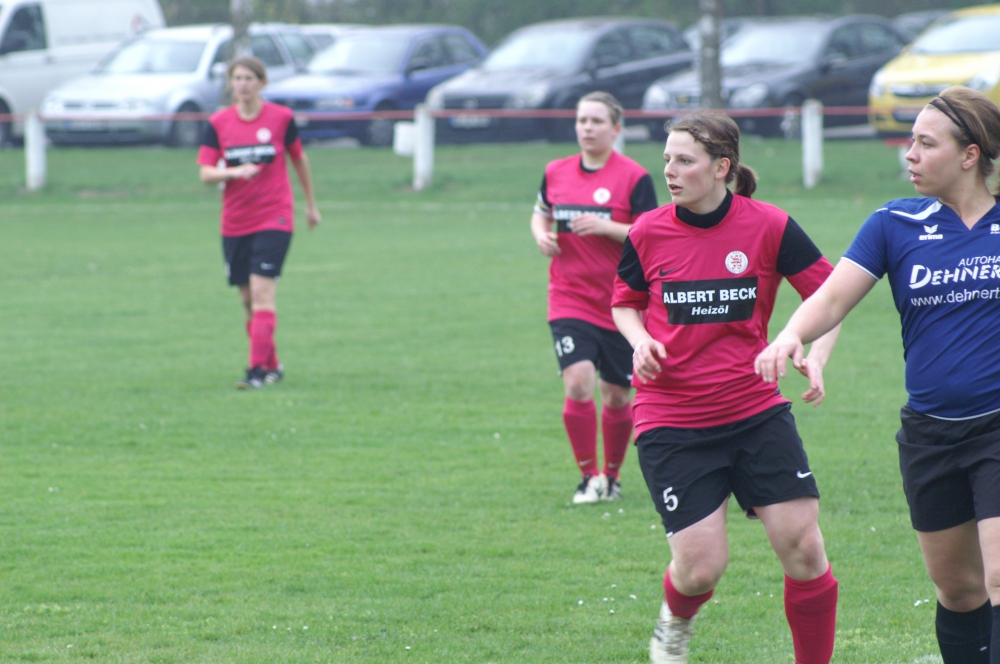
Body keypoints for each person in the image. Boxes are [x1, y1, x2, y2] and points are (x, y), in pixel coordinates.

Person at [756, 86, 1000, 664]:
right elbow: (834, 297)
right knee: (959, 591)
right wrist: (793, 334)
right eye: (910, 141)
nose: (908, 154)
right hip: (930, 436)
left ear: (969, 155)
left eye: (924, 143)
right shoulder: (893, 223)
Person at [611, 111, 841, 663]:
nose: (669, 169)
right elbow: (624, 303)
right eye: (666, 158)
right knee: (699, 569)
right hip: (672, 418)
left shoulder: (769, 225)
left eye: (683, 160)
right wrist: (640, 341)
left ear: (722, 167)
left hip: (755, 409)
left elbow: (832, 297)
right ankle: (674, 624)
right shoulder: (647, 231)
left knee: (805, 550)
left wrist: (814, 353)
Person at [530, 91, 658, 504]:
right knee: (579, 381)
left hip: (621, 303)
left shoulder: (635, 177)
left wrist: (606, 227)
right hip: (568, 297)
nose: (587, 128)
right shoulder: (556, 171)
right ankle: (588, 477)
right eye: (582, 121)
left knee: (617, 395)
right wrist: (541, 236)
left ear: (616, 129)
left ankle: (612, 476)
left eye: (597, 122)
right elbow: (541, 211)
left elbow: (652, 234)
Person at [196, 56, 320, 389]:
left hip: (275, 215)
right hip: (235, 222)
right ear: (231, 84)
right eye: (237, 78)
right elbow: (206, 173)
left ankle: (255, 373)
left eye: (250, 78)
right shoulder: (219, 123)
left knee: (263, 293)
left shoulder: (281, 119)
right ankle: (272, 364)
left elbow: (299, 159)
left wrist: (310, 205)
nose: (243, 84)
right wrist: (233, 171)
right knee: (247, 301)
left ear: (262, 83)